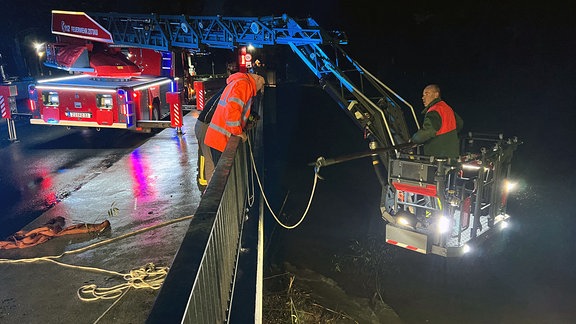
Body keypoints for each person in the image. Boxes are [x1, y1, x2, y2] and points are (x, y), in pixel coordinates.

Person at [204, 72, 265, 166]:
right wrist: (238, 132)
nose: (257, 91)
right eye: (260, 86)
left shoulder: (238, 82)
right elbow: (232, 110)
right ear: (256, 79)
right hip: (222, 139)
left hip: (218, 137)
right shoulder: (244, 85)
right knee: (221, 174)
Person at [410, 84, 463, 159]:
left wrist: (414, 140)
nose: (423, 97)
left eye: (427, 94)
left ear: (436, 95)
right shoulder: (446, 107)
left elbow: (429, 131)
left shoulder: (434, 110)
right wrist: (449, 137)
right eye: (423, 95)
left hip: (438, 157)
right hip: (452, 154)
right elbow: (460, 123)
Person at [194, 86, 224, 189]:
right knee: (207, 159)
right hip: (205, 126)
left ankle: (205, 185)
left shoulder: (225, 90)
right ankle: (207, 189)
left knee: (206, 157)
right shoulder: (228, 93)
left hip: (206, 125)